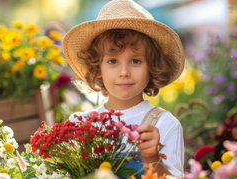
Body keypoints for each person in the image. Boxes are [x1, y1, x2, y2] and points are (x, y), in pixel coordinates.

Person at [63, 0, 185, 177]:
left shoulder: (164, 125)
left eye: (136, 61)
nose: (124, 72)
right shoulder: (80, 124)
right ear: (98, 67)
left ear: (152, 66)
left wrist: (151, 158)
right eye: (113, 61)